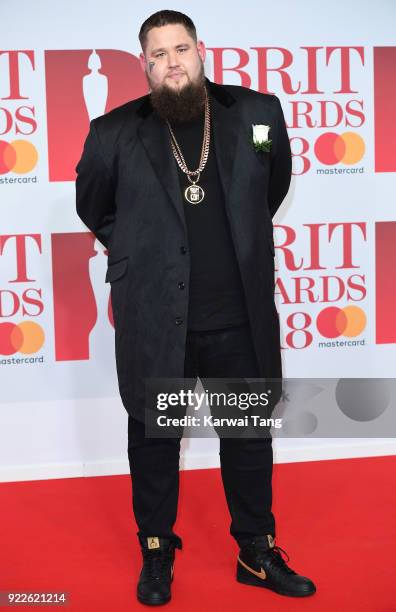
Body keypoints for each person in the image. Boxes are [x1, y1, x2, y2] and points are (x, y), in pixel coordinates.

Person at [75, 9, 316, 605]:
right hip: (158, 319)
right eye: (158, 54)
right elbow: (95, 209)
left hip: (237, 315)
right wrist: (146, 248)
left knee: (247, 436)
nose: (172, 62)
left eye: (180, 48)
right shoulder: (113, 131)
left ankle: (256, 552)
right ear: (144, 65)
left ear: (201, 50)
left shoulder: (257, 113)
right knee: (155, 440)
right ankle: (157, 551)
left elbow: (271, 185)